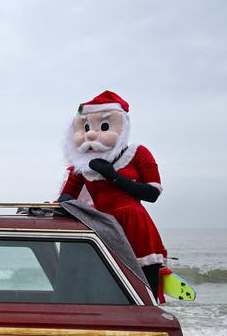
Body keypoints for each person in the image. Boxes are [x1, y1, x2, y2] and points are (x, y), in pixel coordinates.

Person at [58, 91, 167, 298]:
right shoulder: (81, 165)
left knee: (145, 285)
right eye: (86, 127)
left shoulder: (137, 152)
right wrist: (44, 209)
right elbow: (67, 198)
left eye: (103, 126)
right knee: (112, 285)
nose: (91, 134)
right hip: (104, 225)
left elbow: (152, 193)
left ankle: (151, 321)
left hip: (135, 223)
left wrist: (113, 176)